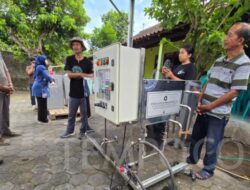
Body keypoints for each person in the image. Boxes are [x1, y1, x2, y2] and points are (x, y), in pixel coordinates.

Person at [186, 22, 250, 180]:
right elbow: (208, 81)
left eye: (229, 35)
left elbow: (234, 91)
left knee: (212, 143)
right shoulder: (219, 59)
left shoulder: (244, 63)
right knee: (196, 137)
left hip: (218, 113)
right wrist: (200, 99)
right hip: (204, 107)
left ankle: (208, 170)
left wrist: (210, 107)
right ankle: (192, 159)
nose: (225, 38)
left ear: (240, 40)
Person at [61, 37, 94, 140]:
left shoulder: (88, 62)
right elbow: (69, 74)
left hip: (84, 92)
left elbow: (92, 75)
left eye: (77, 44)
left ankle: (83, 130)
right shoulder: (69, 59)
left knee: (84, 115)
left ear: (82, 47)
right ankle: (70, 131)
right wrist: (82, 74)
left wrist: (78, 74)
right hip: (74, 92)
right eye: (73, 45)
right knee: (71, 114)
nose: (75, 46)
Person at [0, 52, 20, 138]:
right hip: (2, 88)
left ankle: (5, 131)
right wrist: (4, 88)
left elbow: (6, 70)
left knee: (5, 112)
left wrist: (10, 84)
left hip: (5, 89)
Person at [32, 55, 53, 124]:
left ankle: (41, 119)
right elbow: (47, 75)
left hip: (38, 87)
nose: (46, 61)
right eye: (45, 59)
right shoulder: (41, 67)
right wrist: (52, 80)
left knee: (41, 103)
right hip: (40, 87)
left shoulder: (38, 66)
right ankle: (43, 119)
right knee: (42, 104)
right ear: (42, 60)